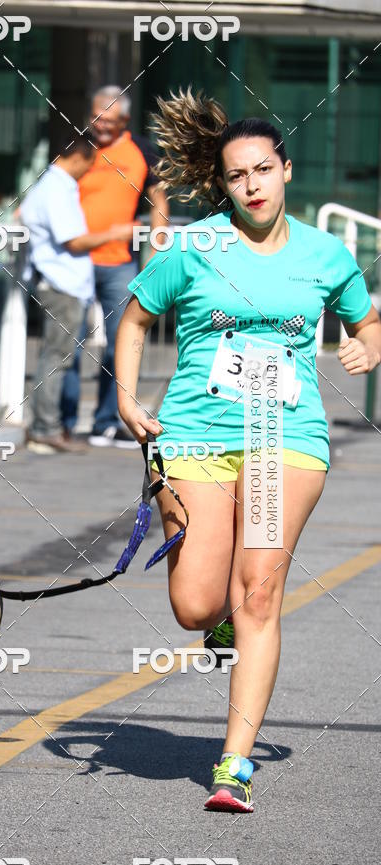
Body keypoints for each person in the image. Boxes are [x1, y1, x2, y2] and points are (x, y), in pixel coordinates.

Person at [115, 87, 381, 812]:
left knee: (259, 589)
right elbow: (134, 321)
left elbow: (368, 323)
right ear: (223, 182)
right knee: (196, 605)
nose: (253, 185)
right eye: (238, 175)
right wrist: (128, 399)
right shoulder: (194, 248)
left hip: (282, 437)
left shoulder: (326, 253)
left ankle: (234, 764)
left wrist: (367, 347)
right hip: (195, 436)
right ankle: (222, 622)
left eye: (263, 169)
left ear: (286, 170)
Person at [60, 86, 169, 448]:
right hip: (73, 261)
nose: (100, 125)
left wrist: (156, 250)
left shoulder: (142, 150)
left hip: (120, 262)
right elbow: (53, 189)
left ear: (125, 119)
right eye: (96, 117)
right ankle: (65, 424)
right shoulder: (77, 147)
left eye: (108, 119)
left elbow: (159, 201)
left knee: (120, 344)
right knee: (69, 345)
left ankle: (106, 422)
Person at [20, 134, 134, 453]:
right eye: (89, 164)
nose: (88, 171)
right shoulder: (56, 189)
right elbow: (73, 241)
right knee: (57, 357)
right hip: (62, 285)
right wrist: (115, 234)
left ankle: (47, 426)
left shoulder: (50, 186)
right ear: (78, 158)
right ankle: (45, 428)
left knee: (57, 356)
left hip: (62, 284)